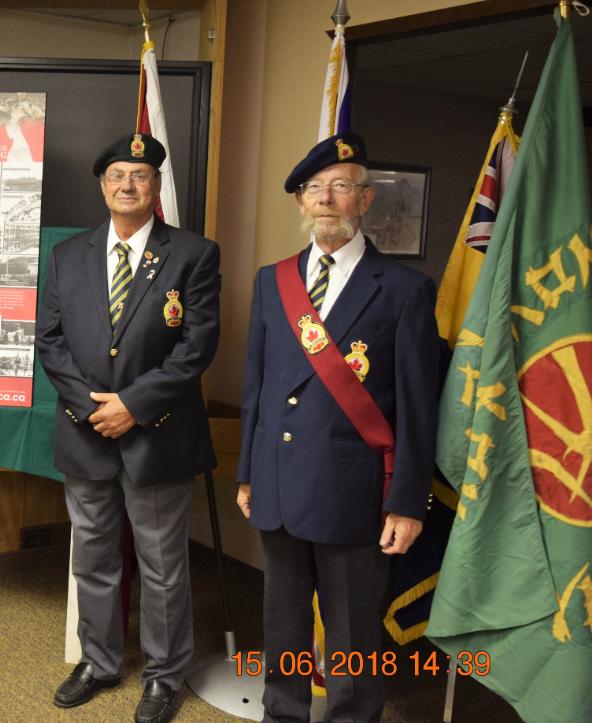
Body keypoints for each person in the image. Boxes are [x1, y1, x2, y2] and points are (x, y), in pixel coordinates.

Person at [235, 133, 441, 723]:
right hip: (276, 484)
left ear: (366, 200)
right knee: (282, 625)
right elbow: (258, 388)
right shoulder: (272, 282)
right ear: (301, 202)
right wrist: (248, 473)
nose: (326, 199)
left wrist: (407, 503)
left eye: (340, 187)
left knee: (353, 637)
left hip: (355, 493)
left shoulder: (404, 291)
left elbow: (417, 407)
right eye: (314, 189)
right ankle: (283, 714)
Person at [36, 133, 220, 723]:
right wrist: (94, 408)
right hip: (86, 430)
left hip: (158, 434)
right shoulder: (69, 254)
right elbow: (52, 341)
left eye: (139, 176)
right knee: (92, 556)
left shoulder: (193, 254)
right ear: (102, 185)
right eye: (117, 175)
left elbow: (195, 348)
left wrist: (133, 405)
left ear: (156, 186)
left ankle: (166, 677)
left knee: (162, 563)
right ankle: (99, 660)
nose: (127, 185)